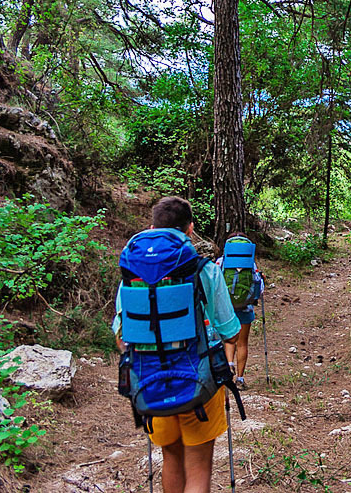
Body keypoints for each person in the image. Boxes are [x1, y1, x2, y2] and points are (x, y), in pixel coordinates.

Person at [112, 197, 241, 493]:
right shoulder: (204, 269)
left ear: (151, 228)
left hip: (149, 382)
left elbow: (120, 334)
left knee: (171, 458)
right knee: (198, 468)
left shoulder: (132, 275)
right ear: (191, 230)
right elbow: (231, 332)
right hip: (199, 383)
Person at [215, 242, 265, 390]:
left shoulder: (221, 261)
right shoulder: (251, 264)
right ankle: (240, 379)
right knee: (242, 342)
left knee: (229, 339)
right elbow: (259, 288)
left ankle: (229, 366)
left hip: (226, 308)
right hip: (245, 308)